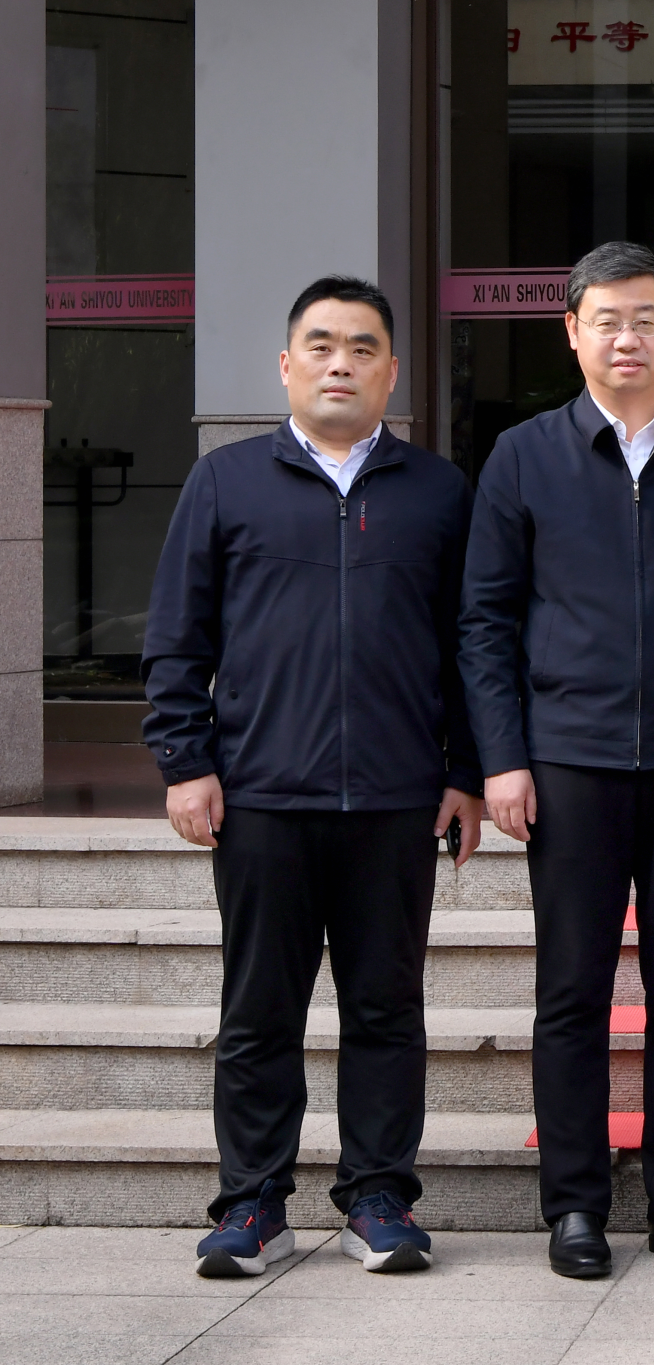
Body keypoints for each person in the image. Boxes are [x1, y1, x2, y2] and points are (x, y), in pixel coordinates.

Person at [145, 276, 482, 1278]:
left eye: (363, 347)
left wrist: (466, 770)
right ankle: (252, 1203)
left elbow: (472, 644)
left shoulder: (438, 492)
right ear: (288, 365)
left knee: (387, 1009)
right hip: (261, 797)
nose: (342, 363)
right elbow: (176, 636)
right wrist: (186, 762)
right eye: (323, 345)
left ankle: (379, 1198)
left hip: (395, 799)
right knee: (259, 1012)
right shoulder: (226, 482)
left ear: (392, 372)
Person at [460, 241, 654, 1280]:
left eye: (645, 317)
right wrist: (503, 756)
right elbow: (485, 619)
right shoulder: (523, 456)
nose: (626, 336)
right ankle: (575, 1206)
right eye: (605, 319)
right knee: (572, 992)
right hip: (568, 765)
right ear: (572, 331)